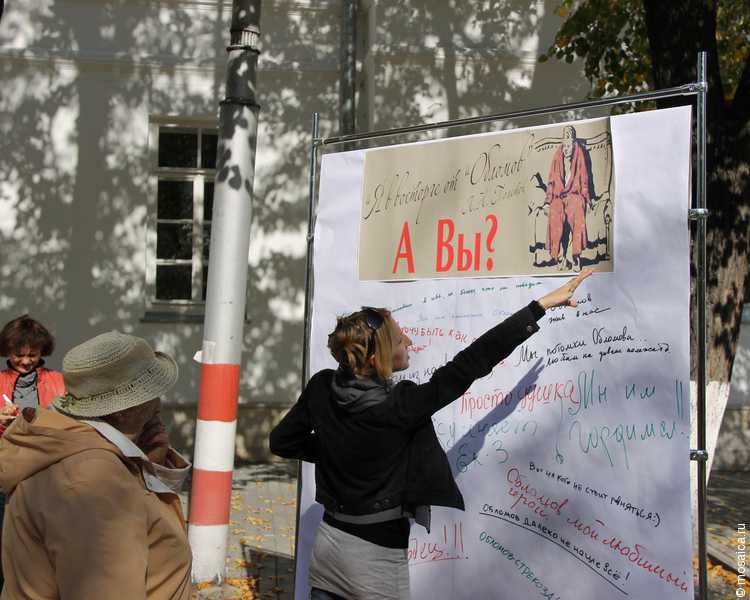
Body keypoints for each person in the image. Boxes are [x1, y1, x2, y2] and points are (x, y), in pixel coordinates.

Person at [270, 269, 592, 600]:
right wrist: (537, 308)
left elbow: (282, 441)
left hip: (328, 548)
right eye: (400, 340)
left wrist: (334, 449)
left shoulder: (322, 386)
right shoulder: (401, 405)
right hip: (375, 561)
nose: (409, 343)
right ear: (376, 358)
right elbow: (469, 365)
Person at [0, 331, 192, 600]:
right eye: (152, 393)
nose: (158, 403)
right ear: (127, 409)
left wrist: (149, 465)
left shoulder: (93, 455)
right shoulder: (93, 479)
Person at [0, 315, 65, 427]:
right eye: (19, 355)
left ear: (41, 351)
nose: (26, 362)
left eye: (32, 355)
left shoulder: (60, 381)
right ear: (8, 351)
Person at [545, 125, 592, 271]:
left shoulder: (580, 155)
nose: (565, 149)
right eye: (564, 146)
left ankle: (576, 256)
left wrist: (586, 198)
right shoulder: (557, 156)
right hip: (559, 196)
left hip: (574, 195)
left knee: (577, 209)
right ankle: (560, 256)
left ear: (574, 144)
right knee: (555, 210)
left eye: (568, 146)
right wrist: (548, 201)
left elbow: (584, 179)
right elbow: (551, 181)